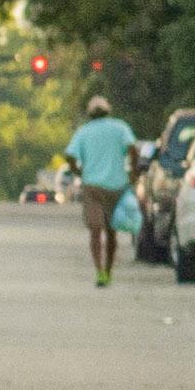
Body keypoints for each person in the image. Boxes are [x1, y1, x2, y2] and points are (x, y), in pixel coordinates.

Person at [59, 98, 140, 285]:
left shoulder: (84, 131)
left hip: (92, 186)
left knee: (95, 231)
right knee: (112, 233)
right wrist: (133, 172)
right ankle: (108, 270)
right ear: (108, 111)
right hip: (117, 186)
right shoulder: (120, 128)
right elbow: (133, 148)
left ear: (90, 114)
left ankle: (99, 271)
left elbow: (70, 155)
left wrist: (78, 170)